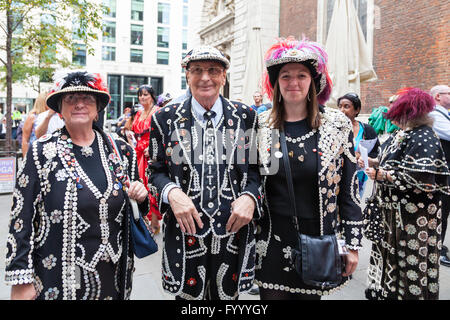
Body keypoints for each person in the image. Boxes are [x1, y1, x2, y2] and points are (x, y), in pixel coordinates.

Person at [4, 70, 149, 300]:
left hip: (114, 276)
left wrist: (141, 196)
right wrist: (21, 279)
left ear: (97, 107)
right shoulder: (42, 152)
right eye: (70, 98)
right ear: (60, 109)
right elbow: (21, 217)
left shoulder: (122, 151)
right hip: (57, 277)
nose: (79, 104)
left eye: (87, 98)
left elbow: (137, 208)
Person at [148, 46, 263, 300]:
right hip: (185, 233)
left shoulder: (246, 117)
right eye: (197, 70)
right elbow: (154, 171)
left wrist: (250, 198)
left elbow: (258, 171)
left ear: (224, 76)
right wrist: (172, 193)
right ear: (187, 76)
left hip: (233, 232)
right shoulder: (164, 119)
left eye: (213, 70)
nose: (205, 77)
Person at [254, 37, 363, 300]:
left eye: (302, 75)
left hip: (318, 240)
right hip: (270, 242)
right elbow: (248, 180)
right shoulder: (259, 125)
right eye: (286, 76)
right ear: (275, 83)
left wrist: (353, 244)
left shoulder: (337, 124)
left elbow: (349, 190)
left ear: (314, 81)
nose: (294, 83)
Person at [364, 88, 449, 300]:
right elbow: (391, 160)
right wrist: (373, 163)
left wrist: (382, 175)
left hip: (413, 221)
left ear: (410, 114)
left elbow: (418, 179)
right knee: (393, 264)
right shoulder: (401, 133)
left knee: (411, 265)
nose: (394, 119)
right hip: (393, 217)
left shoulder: (424, 136)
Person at [129, 85, 161, 234]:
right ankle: (145, 220)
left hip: (151, 154)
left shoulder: (157, 112)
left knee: (151, 186)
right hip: (137, 153)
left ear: (152, 96)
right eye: (140, 95)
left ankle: (155, 221)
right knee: (140, 186)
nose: (142, 98)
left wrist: (154, 148)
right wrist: (131, 140)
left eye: (145, 95)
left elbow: (163, 134)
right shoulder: (138, 113)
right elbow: (133, 132)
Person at [338, 93, 380, 198]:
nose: (342, 110)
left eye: (346, 106)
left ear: (357, 110)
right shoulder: (334, 129)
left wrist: (366, 158)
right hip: (339, 177)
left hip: (359, 178)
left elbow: (377, 151)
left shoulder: (367, 130)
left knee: (354, 207)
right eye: (340, 106)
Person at [429, 85, 450, 267]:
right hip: (442, 175)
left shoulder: (444, 114)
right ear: (438, 96)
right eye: (448, 93)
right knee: (442, 212)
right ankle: (437, 247)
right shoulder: (435, 116)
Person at [21, 92, 48, 158]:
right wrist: (26, 159)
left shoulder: (53, 117)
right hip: (35, 153)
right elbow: (25, 139)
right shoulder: (32, 117)